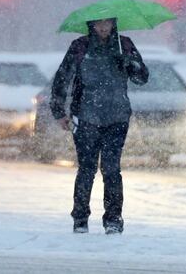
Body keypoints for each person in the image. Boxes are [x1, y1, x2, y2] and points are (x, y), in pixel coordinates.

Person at [50, 17, 149, 234]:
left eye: (107, 23)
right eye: (98, 23)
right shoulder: (80, 47)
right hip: (85, 117)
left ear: (114, 24)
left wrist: (131, 64)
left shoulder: (125, 45)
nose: (103, 27)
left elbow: (142, 78)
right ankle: (80, 218)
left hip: (117, 117)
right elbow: (62, 78)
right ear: (91, 25)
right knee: (87, 168)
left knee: (112, 169)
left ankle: (113, 218)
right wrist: (59, 111)